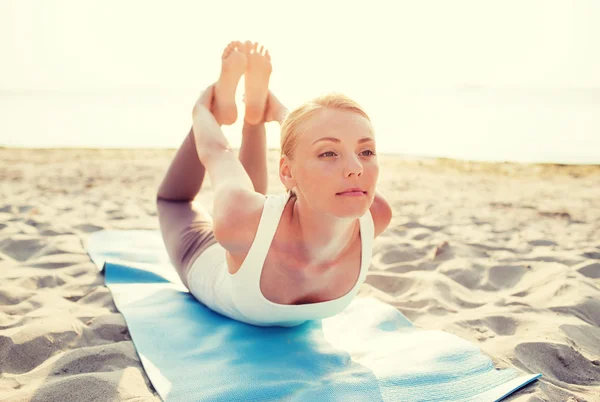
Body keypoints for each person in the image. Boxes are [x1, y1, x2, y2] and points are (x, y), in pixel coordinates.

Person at [156, 41, 392, 327]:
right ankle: (221, 108)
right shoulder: (237, 220)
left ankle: (257, 112)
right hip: (210, 259)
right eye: (329, 153)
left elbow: (307, 147)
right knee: (173, 201)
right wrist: (201, 112)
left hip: (258, 231)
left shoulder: (375, 213)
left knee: (259, 214)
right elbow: (218, 153)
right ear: (286, 172)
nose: (356, 169)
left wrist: (286, 116)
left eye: (366, 151)